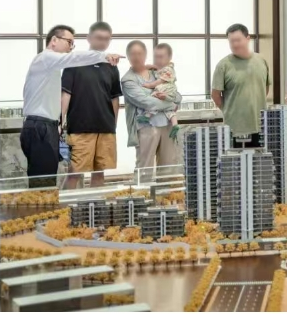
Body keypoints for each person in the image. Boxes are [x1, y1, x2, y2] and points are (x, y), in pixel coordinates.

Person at [21, 25, 121, 188]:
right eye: (69, 42)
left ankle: (49, 205)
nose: (70, 48)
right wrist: (104, 56)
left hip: (46, 125)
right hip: (40, 126)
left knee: (46, 180)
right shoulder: (45, 58)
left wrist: (59, 124)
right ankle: (45, 205)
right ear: (54, 40)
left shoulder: (51, 66)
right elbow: (73, 60)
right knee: (43, 183)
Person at [61, 22, 122, 189]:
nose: (103, 42)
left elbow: (114, 98)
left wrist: (113, 125)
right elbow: (65, 94)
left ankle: (95, 205)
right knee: (74, 173)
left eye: (107, 39)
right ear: (89, 38)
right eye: (99, 38)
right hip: (80, 128)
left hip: (106, 128)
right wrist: (60, 122)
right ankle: (66, 205)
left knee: (100, 172)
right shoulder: (74, 62)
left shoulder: (111, 66)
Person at [121, 41, 182, 177]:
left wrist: (171, 99)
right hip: (146, 128)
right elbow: (148, 103)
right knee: (145, 169)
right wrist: (171, 104)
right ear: (128, 56)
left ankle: (166, 191)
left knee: (169, 168)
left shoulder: (158, 73)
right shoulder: (128, 80)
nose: (136, 57)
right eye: (133, 54)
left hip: (167, 125)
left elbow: (177, 96)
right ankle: (143, 191)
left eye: (140, 53)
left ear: (145, 54)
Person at [212, 24, 271, 148]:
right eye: (231, 41)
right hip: (234, 128)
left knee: (260, 160)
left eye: (238, 40)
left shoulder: (261, 60)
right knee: (235, 160)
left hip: (260, 126)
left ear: (248, 38)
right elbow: (216, 95)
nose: (235, 44)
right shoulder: (223, 65)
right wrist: (230, 110)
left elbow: (265, 88)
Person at [138, 43, 180, 141]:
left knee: (153, 98)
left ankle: (148, 115)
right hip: (169, 94)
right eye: (156, 57)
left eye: (161, 57)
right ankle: (175, 124)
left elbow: (160, 81)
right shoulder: (161, 68)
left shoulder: (168, 69)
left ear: (169, 58)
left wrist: (149, 85)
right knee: (169, 110)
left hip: (166, 90)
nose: (158, 60)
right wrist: (148, 67)